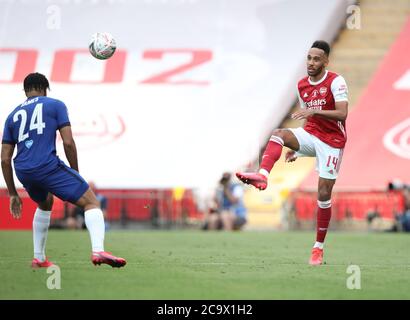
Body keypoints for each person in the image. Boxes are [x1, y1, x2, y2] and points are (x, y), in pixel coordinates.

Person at [236, 40, 348, 265]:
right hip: (312, 134)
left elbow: (342, 114)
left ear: (326, 61)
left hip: (332, 141)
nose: (311, 62)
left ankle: (318, 248)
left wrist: (314, 110)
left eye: (317, 59)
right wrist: (299, 149)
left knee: (324, 194)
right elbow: (309, 122)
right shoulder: (301, 85)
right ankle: (263, 175)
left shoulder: (336, 81)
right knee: (279, 134)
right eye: (309, 58)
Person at [1, 72, 126, 268]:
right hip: (46, 165)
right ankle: (98, 250)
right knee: (91, 201)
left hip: (23, 170)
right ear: (45, 89)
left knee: (45, 202)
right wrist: (75, 175)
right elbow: (68, 142)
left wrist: (13, 193)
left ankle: (39, 258)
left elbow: (5, 159)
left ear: (25, 91)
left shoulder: (12, 116)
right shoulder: (55, 105)